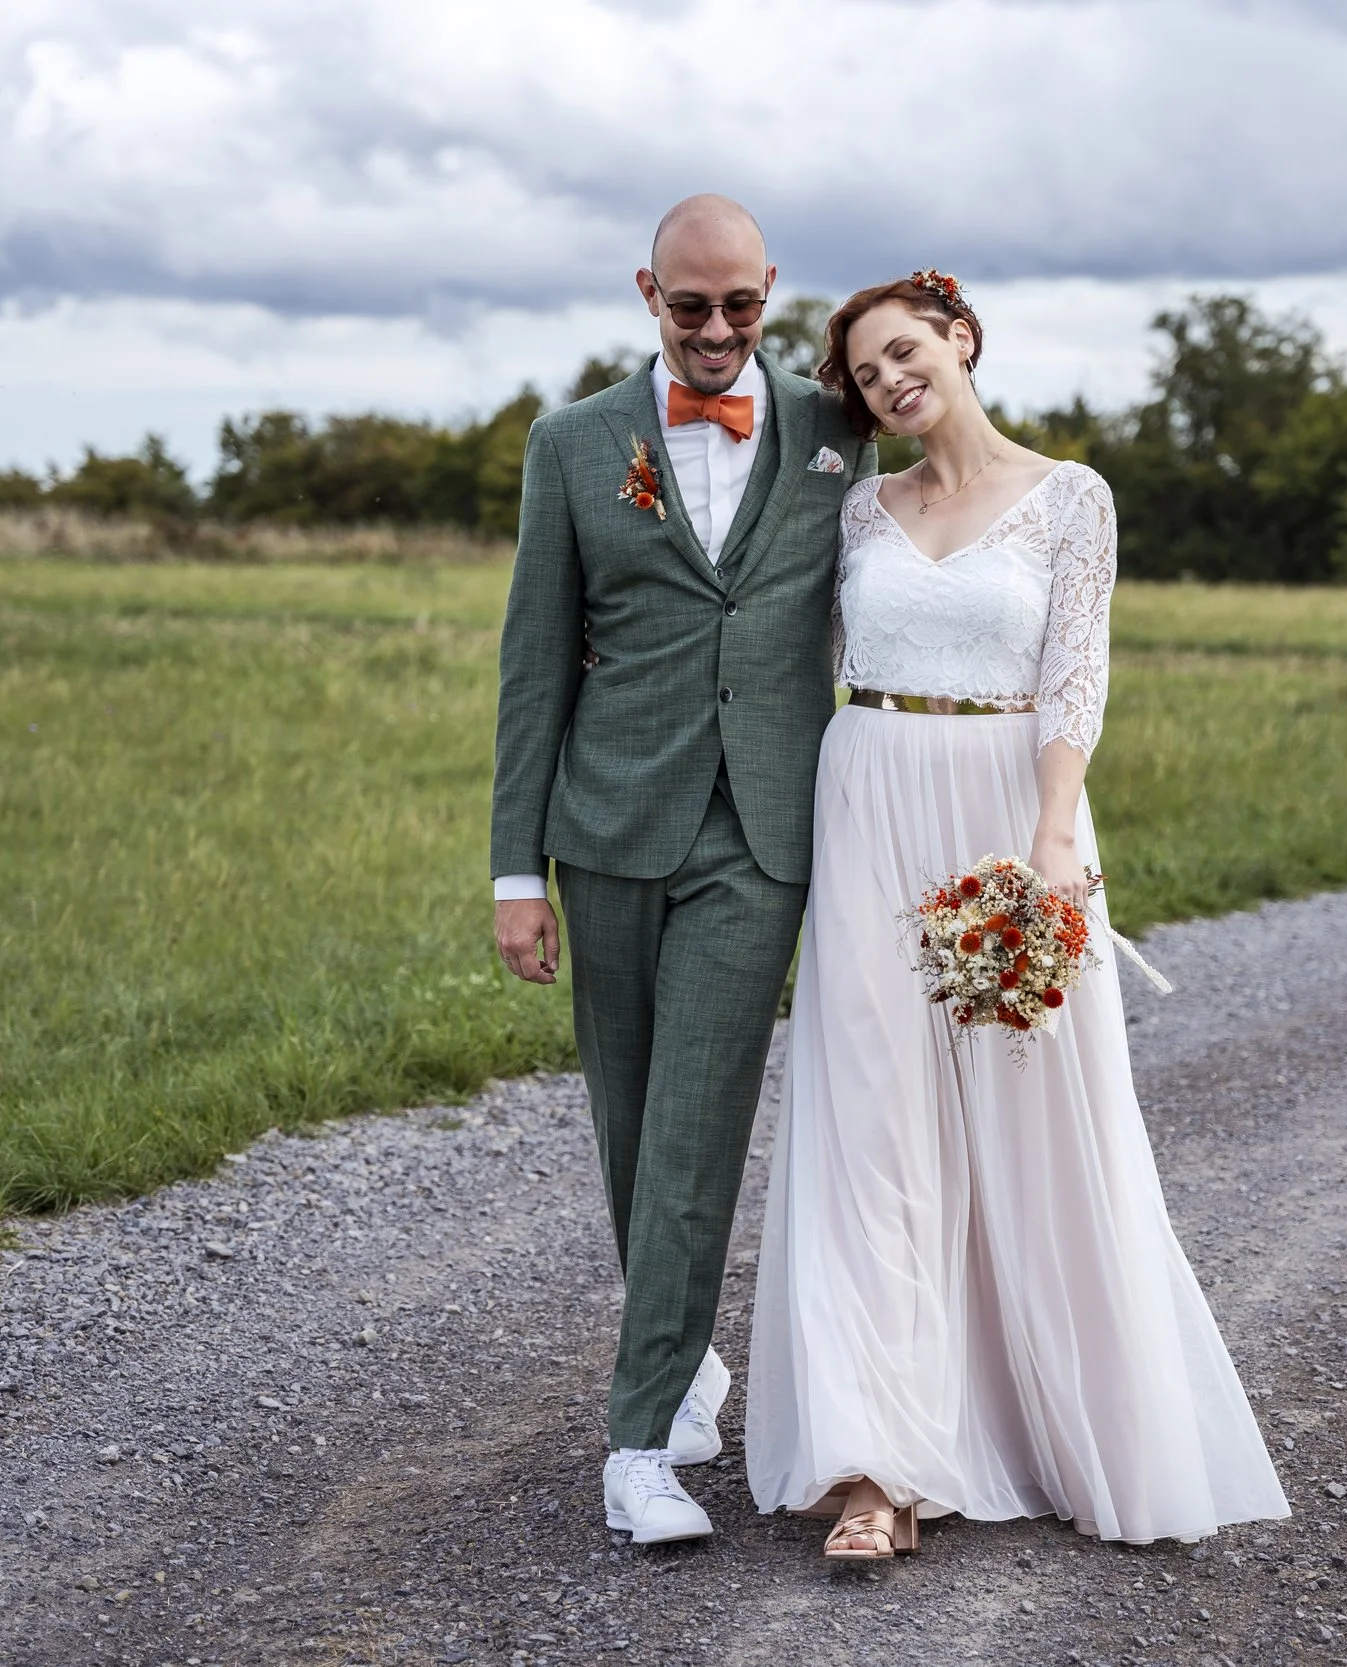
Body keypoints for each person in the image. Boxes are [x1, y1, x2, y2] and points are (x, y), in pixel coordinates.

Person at [742, 271, 1291, 1558]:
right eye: (865, 374)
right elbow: (781, 653)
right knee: (873, 1123)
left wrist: (1052, 837)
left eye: (902, 351)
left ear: (960, 338)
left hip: (1008, 809)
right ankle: (879, 1466)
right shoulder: (858, 512)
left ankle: (1065, 1427)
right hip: (868, 795)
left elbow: (1075, 667)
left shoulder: (1070, 499)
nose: (886, 380)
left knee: (1038, 1117)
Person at [490, 195, 878, 1544]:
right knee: (631, 1119)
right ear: (645, 293)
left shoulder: (839, 432)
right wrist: (512, 871)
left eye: (740, 306)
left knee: (699, 1119)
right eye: (687, 307)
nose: (716, 332)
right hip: (605, 828)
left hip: (759, 833)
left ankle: (640, 1439)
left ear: (771, 292)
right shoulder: (574, 442)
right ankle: (686, 1349)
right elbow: (534, 660)